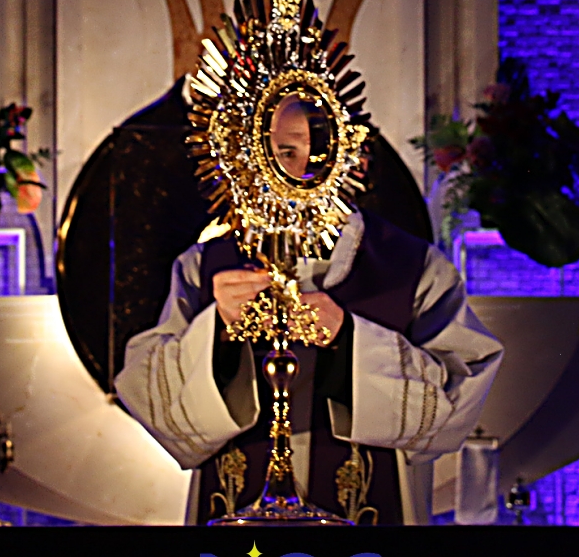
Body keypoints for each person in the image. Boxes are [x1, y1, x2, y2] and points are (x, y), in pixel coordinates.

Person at [115, 176, 503, 523]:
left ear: (352, 159)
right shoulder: (202, 265)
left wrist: (350, 341)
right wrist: (217, 330)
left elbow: (459, 396)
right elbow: (151, 399)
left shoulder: (414, 267)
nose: (293, 173)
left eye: (316, 146)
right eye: (280, 151)